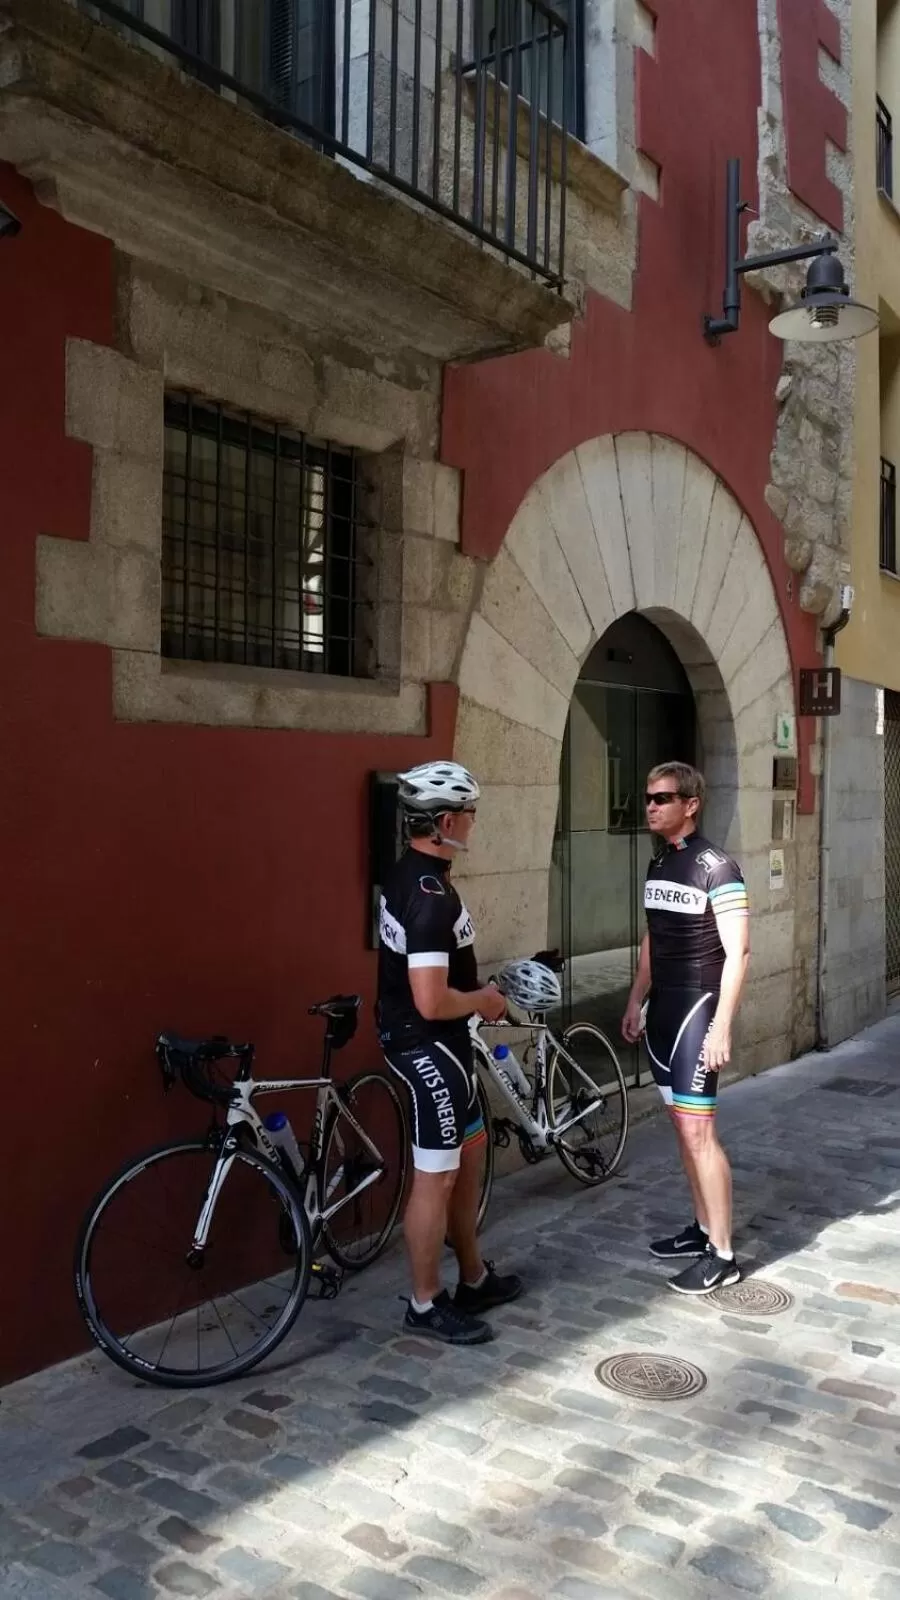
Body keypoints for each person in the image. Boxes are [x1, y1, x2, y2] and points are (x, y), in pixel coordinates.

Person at [377, 760, 522, 1344]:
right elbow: (432, 1000)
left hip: (446, 1047)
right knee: (435, 1177)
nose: (473, 823)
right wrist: (485, 999)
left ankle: (472, 1277)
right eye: (468, 814)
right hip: (425, 1046)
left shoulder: (417, 873)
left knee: (468, 1162)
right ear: (442, 822)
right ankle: (424, 1301)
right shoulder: (428, 895)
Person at [622, 762, 750, 1295]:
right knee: (681, 1126)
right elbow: (652, 941)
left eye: (662, 798)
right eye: (647, 797)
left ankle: (723, 1254)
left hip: (699, 1010)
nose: (650, 806)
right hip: (663, 1012)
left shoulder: (718, 867)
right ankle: (701, 1230)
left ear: (691, 804)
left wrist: (722, 1027)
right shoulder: (659, 864)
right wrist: (635, 998)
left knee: (700, 1130)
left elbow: (739, 952)